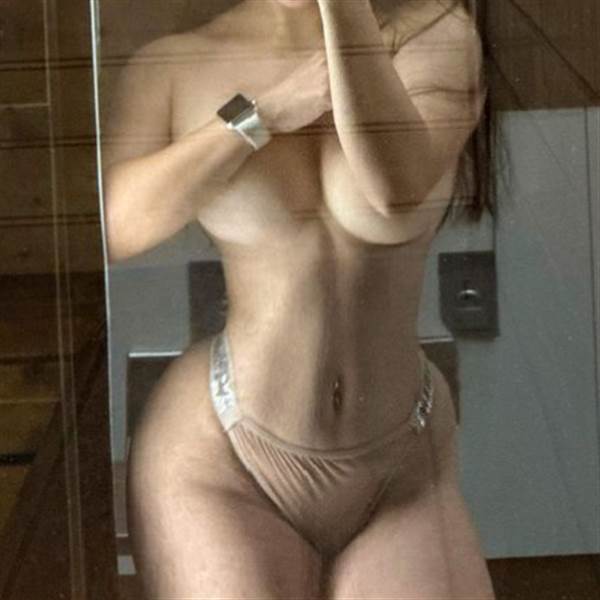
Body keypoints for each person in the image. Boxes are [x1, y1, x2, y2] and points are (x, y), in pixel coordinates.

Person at [102, 0, 496, 597]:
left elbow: (396, 188)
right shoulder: (175, 63)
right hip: (219, 457)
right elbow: (117, 227)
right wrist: (262, 113)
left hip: (400, 456)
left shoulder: (434, 32)